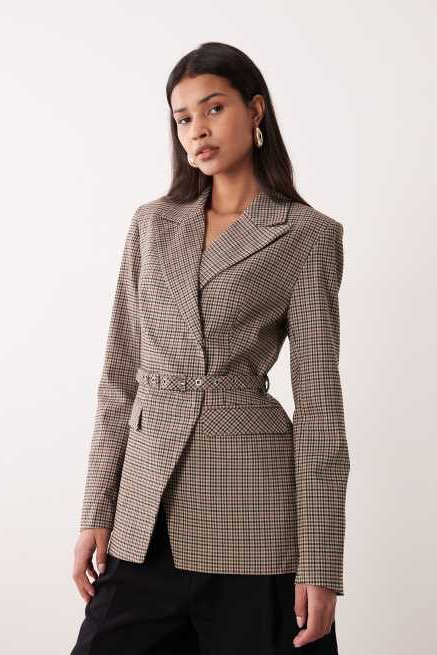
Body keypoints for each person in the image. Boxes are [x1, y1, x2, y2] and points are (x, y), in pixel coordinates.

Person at [70, 41, 350, 654]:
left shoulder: (307, 236)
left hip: (254, 515)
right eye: (183, 118)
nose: (197, 129)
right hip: (145, 509)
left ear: (256, 111)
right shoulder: (151, 224)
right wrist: (97, 509)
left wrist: (322, 562)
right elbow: (119, 378)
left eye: (214, 108)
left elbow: (320, 407)